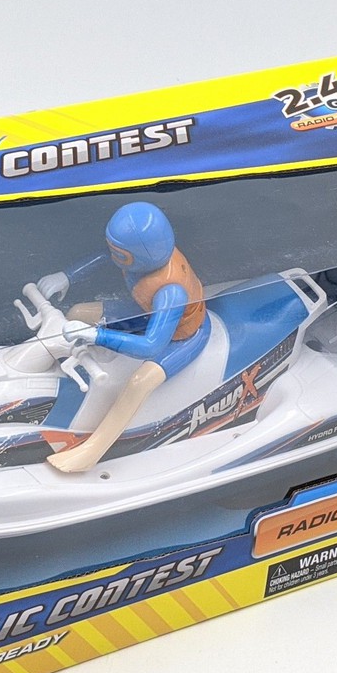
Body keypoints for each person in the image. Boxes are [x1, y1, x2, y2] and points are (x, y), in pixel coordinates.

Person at [37, 201, 209, 473]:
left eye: (119, 252)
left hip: (183, 334)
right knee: (78, 312)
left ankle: (91, 452)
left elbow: (152, 345)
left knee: (141, 382)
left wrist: (97, 335)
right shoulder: (141, 258)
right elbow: (105, 256)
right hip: (146, 310)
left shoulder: (170, 292)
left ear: (139, 254)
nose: (112, 253)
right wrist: (67, 276)